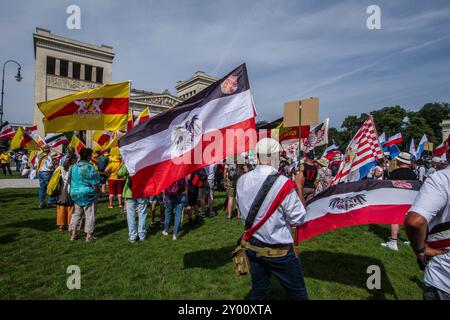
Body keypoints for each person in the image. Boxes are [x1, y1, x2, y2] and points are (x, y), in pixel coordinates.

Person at [236, 138, 308, 300]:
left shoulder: (242, 181)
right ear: (274, 157)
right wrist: (299, 187)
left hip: (253, 247)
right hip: (279, 252)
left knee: (258, 292)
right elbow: (299, 219)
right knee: (298, 294)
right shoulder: (283, 183)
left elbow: (240, 210)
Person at [405, 135, 450, 300]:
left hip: (444, 276)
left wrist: (420, 250)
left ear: (446, 145)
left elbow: (415, 222)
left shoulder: (442, 178)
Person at [381, 152, 418, 251]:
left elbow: (389, 185)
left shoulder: (395, 172)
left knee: (395, 219)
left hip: (397, 198)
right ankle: (412, 240)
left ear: (399, 161)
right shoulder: (413, 174)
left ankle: (393, 242)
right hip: (410, 199)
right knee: (408, 220)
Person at [69, 148, 100, 242]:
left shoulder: (74, 166)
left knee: (76, 214)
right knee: (90, 215)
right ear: (89, 156)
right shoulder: (89, 167)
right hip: (87, 194)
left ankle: (73, 234)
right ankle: (89, 236)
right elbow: (95, 183)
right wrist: (98, 192)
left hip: (75, 193)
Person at [117, 164, 149, 243]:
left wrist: (122, 164)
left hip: (130, 192)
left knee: (131, 214)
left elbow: (119, 174)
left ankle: (133, 236)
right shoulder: (144, 161)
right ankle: (141, 235)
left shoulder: (128, 162)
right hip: (142, 191)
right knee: (142, 213)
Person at [56, 151, 77, 232]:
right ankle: (69, 224)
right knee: (70, 207)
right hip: (70, 188)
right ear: (73, 159)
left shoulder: (60, 167)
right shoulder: (74, 167)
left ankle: (61, 225)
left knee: (61, 207)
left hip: (62, 188)